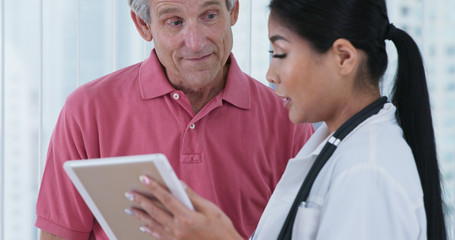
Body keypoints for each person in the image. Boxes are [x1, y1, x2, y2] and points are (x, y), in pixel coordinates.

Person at [125, 0, 448, 239]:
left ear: (343, 58)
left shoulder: (366, 172)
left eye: (280, 53)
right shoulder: (336, 148)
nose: (270, 74)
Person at [35, 0, 314, 239]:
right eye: (174, 22)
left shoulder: (288, 117)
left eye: (210, 16)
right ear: (144, 25)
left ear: (234, 11)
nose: (195, 42)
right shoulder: (86, 111)